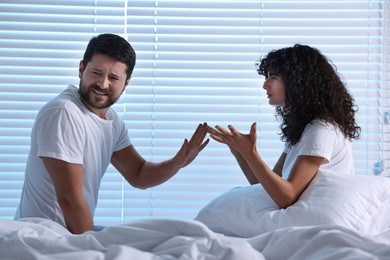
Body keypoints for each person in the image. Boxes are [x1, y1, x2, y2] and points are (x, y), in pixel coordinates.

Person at [14, 33, 209, 234]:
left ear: (126, 83)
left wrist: (177, 163)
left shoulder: (112, 121)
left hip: (69, 233)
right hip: (43, 236)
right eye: (96, 73)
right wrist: (94, 248)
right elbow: (70, 199)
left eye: (113, 78)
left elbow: (138, 173)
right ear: (81, 69)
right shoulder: (64, 113)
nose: (103, 84)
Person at [207, 44, 360, 209]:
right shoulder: (303, 129)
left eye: (273, 77)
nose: (265, 85)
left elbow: (287, 197)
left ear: (298, 81)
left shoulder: (320, 130)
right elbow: (267, 186)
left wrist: (251, 154)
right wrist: (240, 151)